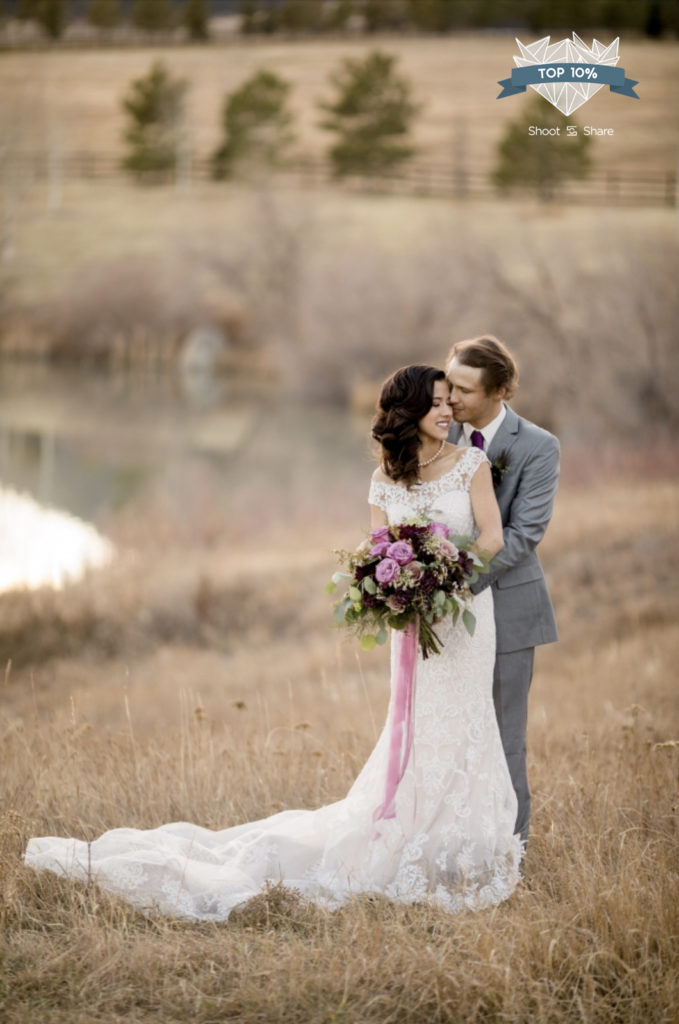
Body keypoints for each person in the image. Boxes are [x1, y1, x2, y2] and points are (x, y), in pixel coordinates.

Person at [24, 365, 522, 920]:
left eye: (449, 400)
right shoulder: (386, 478)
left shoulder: (472, 464)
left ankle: (461, 841)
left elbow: (493, 537)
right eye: (434, 403)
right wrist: (397, 587)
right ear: (407, 412)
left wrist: (446, 578)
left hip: (465, 616)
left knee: (465, 720)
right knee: (417, 723)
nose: (447, 410)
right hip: (412, 625)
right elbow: (378, 547)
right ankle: (407, 829)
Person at [446, 336, 560, 845]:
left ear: (500, 390)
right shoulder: (439, 434)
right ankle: (451, 840)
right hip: (442, 615)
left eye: (464, 389)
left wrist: (453, 584)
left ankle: (510, 850)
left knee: (504, 735)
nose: (450, 398)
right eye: (448, 383)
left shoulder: (538, 446)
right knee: (448, 732)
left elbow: (523, 535)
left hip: (509, 606)